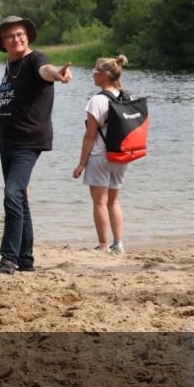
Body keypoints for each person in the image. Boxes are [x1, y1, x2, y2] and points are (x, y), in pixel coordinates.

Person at [0, 15, 73, 275]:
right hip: (7, 140)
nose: (16, 39)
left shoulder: (35, 60)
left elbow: (46, 71)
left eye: (19, 34)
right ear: (3, 43)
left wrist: (58, 74)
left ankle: (9, 258)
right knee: (20, 199)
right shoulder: (10, 65)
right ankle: (26, 259)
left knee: (12, 194)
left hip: (28, 141)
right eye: (9, 36)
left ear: (27, 36)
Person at [72, 56, 130, 254]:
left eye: (95, 72)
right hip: (121, 156)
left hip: (99, 156)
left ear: (105, 75)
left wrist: (81, 164)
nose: (93, 76)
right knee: (114, 201)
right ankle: (119, 244)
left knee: (99, 202)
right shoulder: (125, 97)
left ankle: (104, 245)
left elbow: (90, 136)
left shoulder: (97, 100)